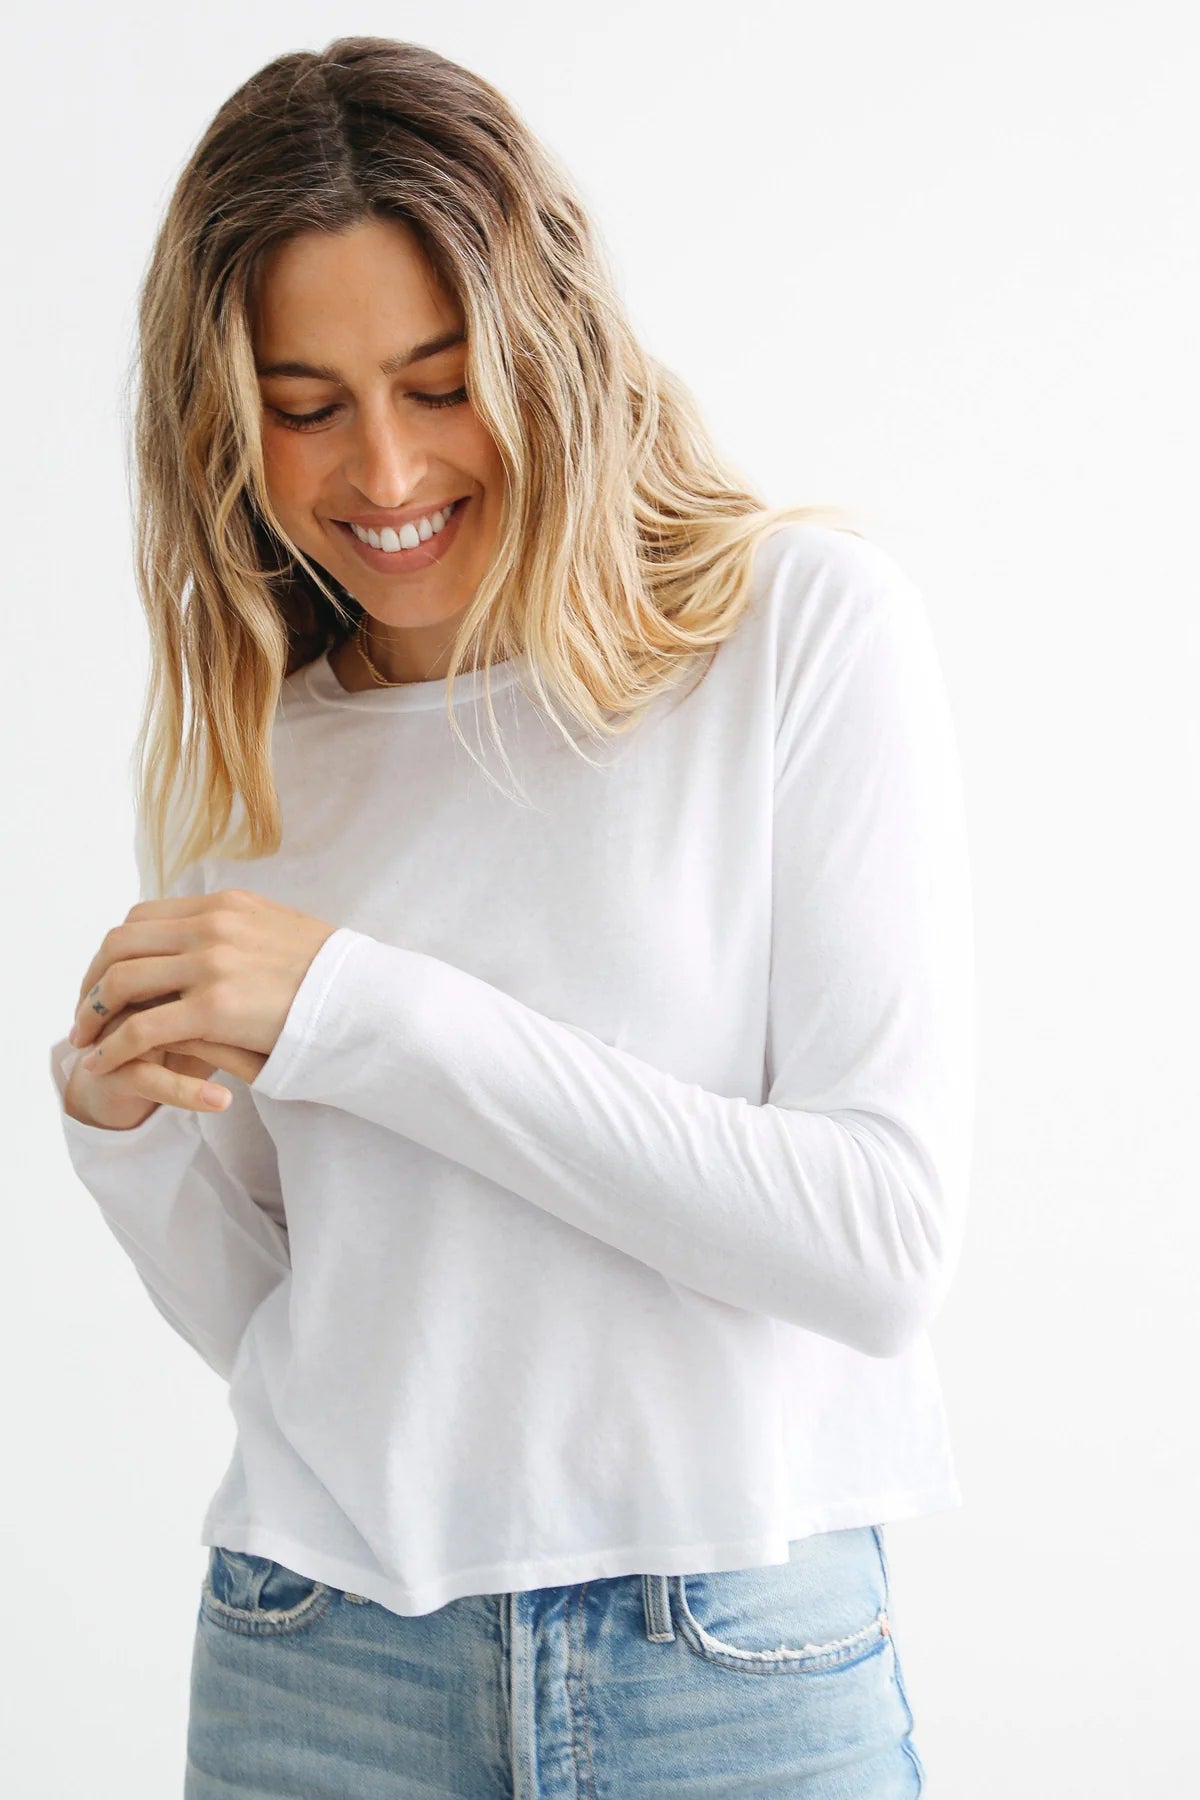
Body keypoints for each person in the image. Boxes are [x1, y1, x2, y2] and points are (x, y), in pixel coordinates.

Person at [48, 34, 974, 1799]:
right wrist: (124, 1144)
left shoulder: (794, 635)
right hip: (319, 1668)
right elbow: (302, 1327)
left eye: (440, 381)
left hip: (731, 1660)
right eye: (304, 406)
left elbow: (876, 1242)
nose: (386, 473)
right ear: (224, 422)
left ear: (546, 347)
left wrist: (358, 1009)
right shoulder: (253, 748)